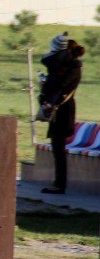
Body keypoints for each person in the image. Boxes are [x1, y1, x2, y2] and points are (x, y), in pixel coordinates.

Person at [39, 33, 84, 194]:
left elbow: (64, 89)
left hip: (62, 111)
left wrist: (50, 102)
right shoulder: (62, 69)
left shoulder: (72, 69)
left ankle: (59, 185)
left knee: (58, 148)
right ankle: (58, 183)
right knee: (56, 147)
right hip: (57, 110)